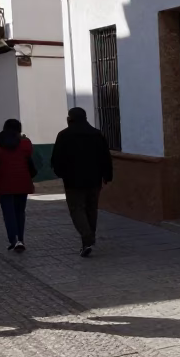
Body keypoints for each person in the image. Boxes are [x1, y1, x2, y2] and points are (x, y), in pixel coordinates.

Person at [51, 107, 113, 257]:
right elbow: (106, 157)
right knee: (91, 208)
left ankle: (87, 237)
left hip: (73, 180)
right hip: (94, 179)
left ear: (70, 118)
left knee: (77, 209)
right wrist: (107, 175)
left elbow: (56, 159)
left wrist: (61, 173)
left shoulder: (64, 135)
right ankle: (88, 241)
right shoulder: (96, 134)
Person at [0, 119, 35, 252]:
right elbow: (30, 157)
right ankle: (20, 239)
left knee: (9, 213)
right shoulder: (25, 143)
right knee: (19, 212)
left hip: (3, 183)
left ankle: (15, 239)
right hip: (22, 182)